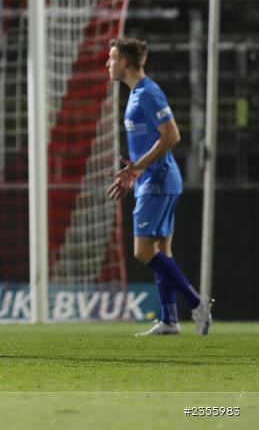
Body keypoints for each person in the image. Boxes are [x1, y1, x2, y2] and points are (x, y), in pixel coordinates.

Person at [105, 37, 212, 336]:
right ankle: (169, 320)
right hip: (153, 180)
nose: (108, 63)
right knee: (162, 250)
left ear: (125, 62)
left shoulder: (148, 93)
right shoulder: (138, 93)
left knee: (142, 252)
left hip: (158, 181)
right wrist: (135, 171)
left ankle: (196, 302)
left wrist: (139, 167)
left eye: (112, 58)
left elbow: (172, 135)